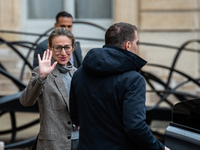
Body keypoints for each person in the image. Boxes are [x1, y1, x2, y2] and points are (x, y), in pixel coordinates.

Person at [69, 22, 170, 150]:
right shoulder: (134, 79)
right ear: (128, 45)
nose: (136, 47)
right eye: (136, 42)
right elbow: (135, 126)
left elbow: (75, 118)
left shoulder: (79, 73)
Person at [20, 28, 79, 150]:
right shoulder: (41, 72)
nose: (63, 53)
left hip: (79, 141)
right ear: (50, 48)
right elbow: (26, 101)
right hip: (53, 144)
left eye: (67, 47)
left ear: (73, 48)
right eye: (58, 48)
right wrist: (42, 77)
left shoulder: (77, 73)